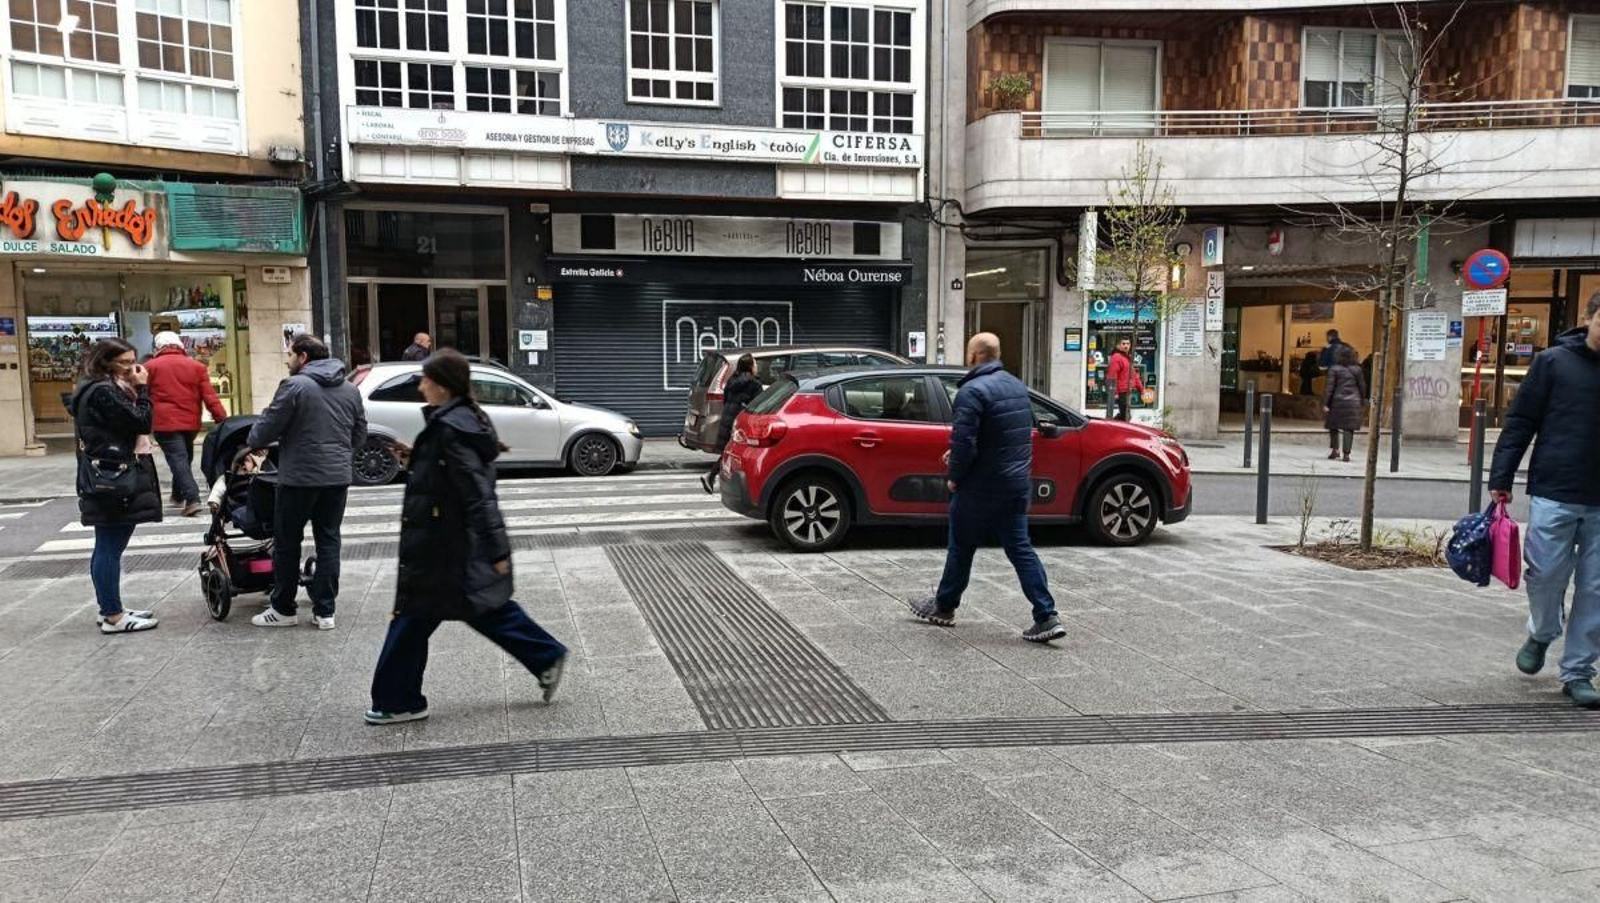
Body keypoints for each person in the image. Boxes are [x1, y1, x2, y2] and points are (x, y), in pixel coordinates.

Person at [367, 349, 568, 725]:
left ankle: (399, 700)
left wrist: (497, 550)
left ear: (442, 386)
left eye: (426, 379)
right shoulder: (457, 421)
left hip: (443, 547)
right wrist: (417, 460)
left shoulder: (450, 428)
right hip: (446, 542)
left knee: (414, 617)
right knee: (481, 609)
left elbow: (478, 494)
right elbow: (454, 481)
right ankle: (546, 655)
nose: (421, 386)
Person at [910, 333, 1066, 643]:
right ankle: (1046, 615)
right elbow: (1009, 436)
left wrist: (955, 474)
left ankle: (944, 606)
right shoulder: (1016, 386)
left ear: (974, 356)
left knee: (961, 546)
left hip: (980, 486)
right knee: (1020, 548)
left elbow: (964, 441)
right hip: (1015, 483)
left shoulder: (971, 391)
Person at [1491, 292, 1600, 708]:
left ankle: (1578, 672)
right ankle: (1542, 632)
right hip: (1555, 490)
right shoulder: (1553, 362)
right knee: (1546, 575)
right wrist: (1501, 476)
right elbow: (1521, 422)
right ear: (1588, 317)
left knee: (1595, 588)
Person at [247, 334, 366, 631]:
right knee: (329, 540)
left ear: (303, 357)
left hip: (299, 478)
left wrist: (256, 442)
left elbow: (265, 428)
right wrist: (339, 453)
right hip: (336, 477)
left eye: (289, 355)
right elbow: (360, 432)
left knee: (288, 542)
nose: (287, 361)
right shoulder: (350, 389)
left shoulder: (295, 385)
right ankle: (325, 611)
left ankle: (283, 608)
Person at [69, 338, 161, 634]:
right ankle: (113, 615)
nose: (132, 368)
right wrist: (144, 388)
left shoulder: (94, 387)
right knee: (110, 546)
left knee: (107, 545)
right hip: (113, 477)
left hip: (105, 472)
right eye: (124, 362)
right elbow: (142, 421)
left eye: (134, 361)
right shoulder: (104, 392)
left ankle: (109, 606)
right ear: (105, 362)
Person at [145, 330, 227, 517]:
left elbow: (140, 395)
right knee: (184, 458)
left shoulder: (150, 366)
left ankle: (192, 498)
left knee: (178, 459)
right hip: (190, 422)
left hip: (164, 422)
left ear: (158, 347)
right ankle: (177, 494)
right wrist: (221, 419)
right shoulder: (196, 367)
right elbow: (210, 396)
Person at [700, 354, 762, 494]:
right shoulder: (754, 384)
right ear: (750, 366)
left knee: (731, 451)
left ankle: (715, 477)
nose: (756, 366)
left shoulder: (732, 380)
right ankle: (713, 476)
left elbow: (726, 399)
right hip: (741, 422)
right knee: (737, 452)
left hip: (728, 418)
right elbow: (758, 406)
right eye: (755, 363)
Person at [1322, 345, 1366, 462]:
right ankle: (1346, 454)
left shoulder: (1334, 369)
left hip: (1337, 401)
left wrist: (1326, 403)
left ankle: (1335, 450)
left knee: (1334, 426)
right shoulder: (1357, 369)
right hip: (1353, 402)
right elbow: (1362, 386)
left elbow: (1329, 388)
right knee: (1349, 428)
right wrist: (1362, 400)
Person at [1106, 338, 1144, 422]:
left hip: (1128, 391)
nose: (1126, 346)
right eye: (1123, 344)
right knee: (1126, 416)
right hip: (1121, 391)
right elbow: (1112, 376)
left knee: (1125, 416)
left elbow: (1134, 375)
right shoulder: (1116, 357)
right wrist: (1115, 393)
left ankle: (1112, 424)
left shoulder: (1127, 357)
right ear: (1118, 345)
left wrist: (1141, 390)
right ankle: (1111, 426)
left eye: (1128, 344)